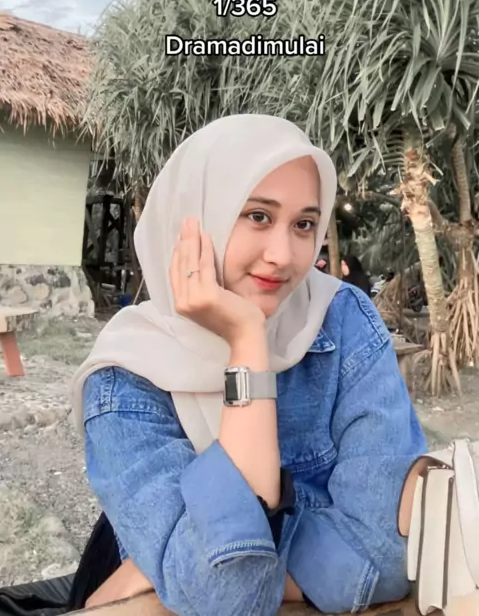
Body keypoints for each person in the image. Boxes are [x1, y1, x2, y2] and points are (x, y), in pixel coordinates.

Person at [66, 115, 425, 615]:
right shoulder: (124, 378)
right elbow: (229, 601)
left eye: (303, 224)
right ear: (194, 218)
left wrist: (187, 570)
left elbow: (387, 557)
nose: (283, 256)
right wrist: (247, 343)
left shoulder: (341, 320)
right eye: (258, 216)